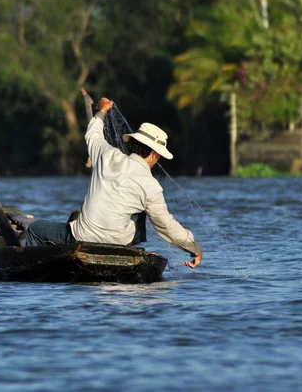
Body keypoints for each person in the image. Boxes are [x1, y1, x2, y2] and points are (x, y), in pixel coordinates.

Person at [21, 97, 203, 268]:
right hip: (118, 244)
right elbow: (165, 225)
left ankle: (24, 265)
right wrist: (193, 247)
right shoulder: (151, 186)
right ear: (155, 154)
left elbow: (92, 134)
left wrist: (101, 111)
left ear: (133, 143)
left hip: (82, 237)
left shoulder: (107, 155)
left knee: (35, 229)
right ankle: (130, 249)